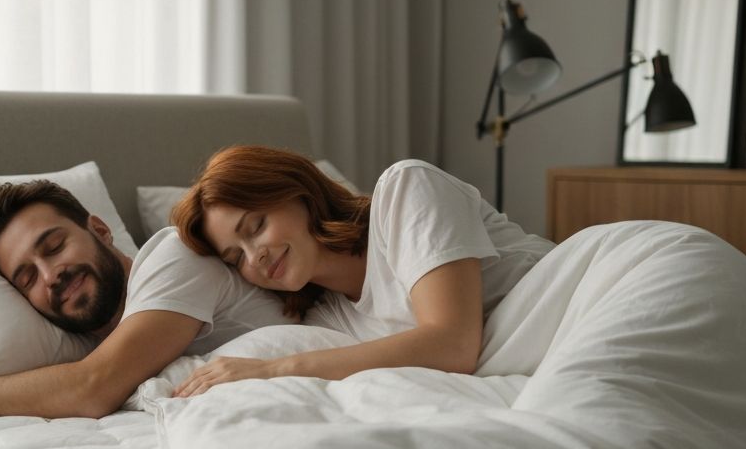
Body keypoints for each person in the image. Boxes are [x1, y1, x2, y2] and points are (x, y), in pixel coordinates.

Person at [0, 179, 295, 417]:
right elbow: (0, 375)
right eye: (26, 278)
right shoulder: (104, 344)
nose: (50, 276)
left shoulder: (175, 258)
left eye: (54, 247)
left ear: (99, 229)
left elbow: (89, 387)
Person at [169, 146, 554, 397]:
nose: (255, 258)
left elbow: (454, 343)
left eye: (255, 227)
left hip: (588, 290)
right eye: (236, 259)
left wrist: (273, 370)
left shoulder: (406, 190)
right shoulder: (327, 322)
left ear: (298, 193)